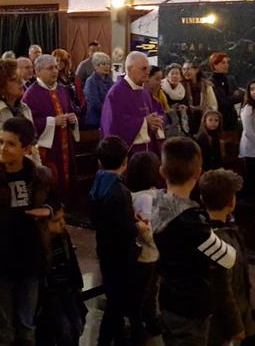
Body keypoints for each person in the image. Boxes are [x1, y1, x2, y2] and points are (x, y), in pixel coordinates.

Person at [152, 137, 235, 346]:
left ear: (162, 172)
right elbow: (227, 258)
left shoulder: (156, 203)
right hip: (191, 305)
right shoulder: (191, 222)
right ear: (198, 174)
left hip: (168, 297)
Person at [0, 117, 57, 346]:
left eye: (11, 144)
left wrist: (48, 209)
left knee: (27, 326)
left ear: (26, 149)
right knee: (1, 331)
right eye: (0, 142)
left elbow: (56, 201)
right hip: (1, 261)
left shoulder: (40, 175)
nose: (2, 149)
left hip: (31, 258)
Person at [88, 136, 140, 346]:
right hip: (121, 253)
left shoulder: (98, 182)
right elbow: (126, 229)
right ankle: (106, 339)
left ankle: (117, 336)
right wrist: (138, 227)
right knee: (118, 302)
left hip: (104, 247)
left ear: (100, 162)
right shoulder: (120, 191)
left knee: (113, 295)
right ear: (126, 161)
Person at [199, 169, 255, 345]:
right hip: (224, 325)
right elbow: (223, 289)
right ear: (232, 202)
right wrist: (237, 326)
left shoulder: (201, 231)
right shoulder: (221, 241)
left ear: (202, 199)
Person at [23, 55, 80, 198]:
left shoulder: (62, 89)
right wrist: (52, 122)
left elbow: (70, 110)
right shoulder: (31, 95)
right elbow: (28, 124)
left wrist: (72, 119)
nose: (55, 71)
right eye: (50, 68)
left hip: (65, 143)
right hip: (48, 148)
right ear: (38, 72)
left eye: (56, 67)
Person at [0, 59, 41, 171]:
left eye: (20, 78)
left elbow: (32, 148)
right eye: (13, 79)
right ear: (0, 85)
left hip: (27, 173)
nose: (20, 82)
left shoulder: (24, 109)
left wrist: (39, 171)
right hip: (2, 175)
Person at [124, 151, 163, 341]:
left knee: (148, 290)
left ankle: (149, 320)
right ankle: (140, 325)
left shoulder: (136, 195)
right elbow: (147, 230)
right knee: (144, 292)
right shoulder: (144, 198)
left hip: (148, 253)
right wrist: (160, 244)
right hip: (146, 253)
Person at [36, 205, 86, 346]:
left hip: (68, 288)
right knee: (63, 328)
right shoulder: (39, 243)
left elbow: (71, 261)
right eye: (57, 220)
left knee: (77, 324)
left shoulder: (63, 237)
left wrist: (78, 283)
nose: (63, 223)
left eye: (62, 218)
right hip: (51, 292)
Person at [101, 51, 165, 155]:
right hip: (129, 154)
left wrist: (156, 121)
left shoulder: (145, 92)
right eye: (143, 68)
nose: (147, 72)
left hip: (148, 151)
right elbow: (114, 125)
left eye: (148, 69)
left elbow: (156, 112)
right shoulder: (116, 93)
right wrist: (145, 122)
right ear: (130, 69)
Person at [209, 52, 244, 133]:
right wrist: (234, 96)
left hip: (232, 120)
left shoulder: (231, 79)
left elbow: (241, 95)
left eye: (227, 62)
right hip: (218, 121)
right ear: (215, 65)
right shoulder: (211, 82)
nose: (226, 65)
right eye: (223, 63)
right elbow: (223, 101)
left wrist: (233, 97)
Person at [182, 61, 217, 135]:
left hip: (203, 117)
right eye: (184, 69)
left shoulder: (206, 85)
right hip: (187, 119)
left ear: (196, 70)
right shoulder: (181, 85)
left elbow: (212, 104)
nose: (185, 72)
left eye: (188, 69)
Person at [83, 52, 113, 130]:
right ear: (96, 66)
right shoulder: (91, 81)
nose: (107, 66)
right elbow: (94, 103)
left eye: (108, 64)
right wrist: (109, 111)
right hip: (95, 121)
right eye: (103, 64)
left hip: (108, 119)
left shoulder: (109, 80)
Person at [162, 63, 191, 137]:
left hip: (180, 124)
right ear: (167, 76)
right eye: (172, 73)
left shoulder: (182, 91)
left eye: (177, 74)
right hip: (166, 124)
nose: (174, 76)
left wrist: (184, 107)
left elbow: (187, 105)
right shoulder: (161, 89)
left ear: (181, 77)